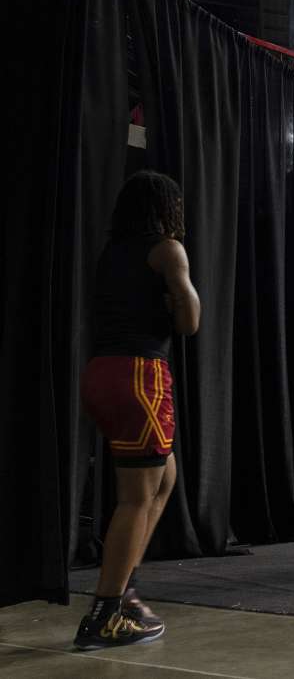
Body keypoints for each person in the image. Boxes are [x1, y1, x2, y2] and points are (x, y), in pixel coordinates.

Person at [75, 171, 200, 650]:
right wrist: (178, 296)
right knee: (136, 497)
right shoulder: (167, 250)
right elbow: (189, 323)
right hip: (140, 377)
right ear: (166, 208)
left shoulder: (112, 254)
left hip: (100, 373)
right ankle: (105, 614)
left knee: (163, 480)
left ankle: (123, 590)